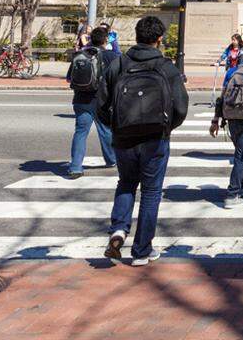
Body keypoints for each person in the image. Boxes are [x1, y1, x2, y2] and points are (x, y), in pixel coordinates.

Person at [100, 16, 188, 265]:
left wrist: (117, 126)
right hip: (154, 138)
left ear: (136, 36)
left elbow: (101, 104)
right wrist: (165, 127)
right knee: (151, 192)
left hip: (124, 138)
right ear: (159, 39)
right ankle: (141, 250)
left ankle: (118, 229)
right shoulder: (166, 67)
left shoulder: (118, 64)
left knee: (126, 183)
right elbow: (181, 107)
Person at [210, 39, 243, 206]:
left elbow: (222, 97)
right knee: (240, 156)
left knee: (240, 152)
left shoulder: (232, 71)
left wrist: (216, 120)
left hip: (231, 117)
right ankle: (232, 193)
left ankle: (242, 185)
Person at [66, 25, 118, 179]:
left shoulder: (79, 54)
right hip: (101, 101)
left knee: (81, 132)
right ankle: (111, 159)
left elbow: (69, 78)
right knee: (106, 131)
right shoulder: (111, 56)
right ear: (106, 40)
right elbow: (118, 78)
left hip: (81, 99)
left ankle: (75, 167)